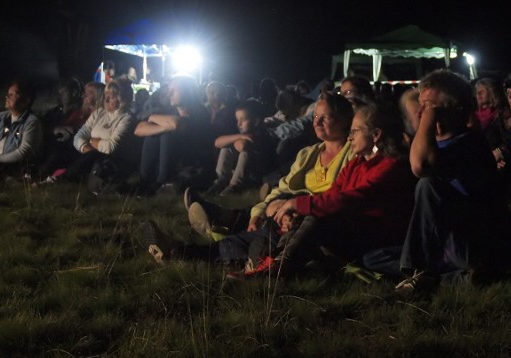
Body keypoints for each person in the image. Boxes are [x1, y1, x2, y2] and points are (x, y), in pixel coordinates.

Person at [141, 93, 356, 266]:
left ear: (345, 120)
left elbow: (339, 198)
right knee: (251, 233)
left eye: (325, 117)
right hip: (286, 209)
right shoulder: (309, 154)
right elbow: (282, 187)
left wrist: (292, 207)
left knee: (259, 237)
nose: (317, 122)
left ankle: (204, 244)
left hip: (311, 218)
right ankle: (181, 250)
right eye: (316, 116)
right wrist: (262, 210)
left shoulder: (352, 155)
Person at [227, 102, 415, 278]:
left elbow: (351, 198)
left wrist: (297, 203)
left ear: (376, 135)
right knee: (298, 219)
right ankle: (273, 262)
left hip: (374, 235)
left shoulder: (390, 165)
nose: (350, 137)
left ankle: (278, 265)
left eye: (355, 132)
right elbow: (333, 194)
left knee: (316, 215)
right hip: (351, 229)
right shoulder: (356, 164)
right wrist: (295, 210)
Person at [394, 70, 506, 292]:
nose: (421, 112)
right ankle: (454, 279)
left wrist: (428, 118)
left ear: (455, 110)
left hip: (467, 243)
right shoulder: (436, 145)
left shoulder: (469, 144)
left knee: (428, 184)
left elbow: (420, 166)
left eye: (429, 106)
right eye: (421, 105)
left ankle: (419, 271)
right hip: (442, 241)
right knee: (374, 257)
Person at [38, 78, 136, 186]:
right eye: (106, 95)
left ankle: (60, 179)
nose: (106, 100)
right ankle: (39, 173)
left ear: (122, 100)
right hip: (88, 151)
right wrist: (87, 146)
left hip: (106, 158)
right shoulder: (99, 113)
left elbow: (110, 147)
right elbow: (79, 136)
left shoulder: (126, 118)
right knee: (66, 147)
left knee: (91, 155)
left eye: (111, 97)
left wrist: (89, 140)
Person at [133, 75, 213, 195]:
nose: (169, 94)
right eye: (169, 90)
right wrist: (160, 125)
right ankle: (145, 181)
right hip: (171, 160)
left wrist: (153, 120)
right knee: (153, 134)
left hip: (190, 162)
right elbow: (138, 130)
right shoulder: (168, 112)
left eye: (174, 90)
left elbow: (177, 124)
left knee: (166, 135)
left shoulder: (200, 113)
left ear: (187, 91)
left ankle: (163, 182)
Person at [205, 99, 276, 196]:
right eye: (237, 120)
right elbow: (217, 142)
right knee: (226, 149)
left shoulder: (261, 134)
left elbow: (243, 146)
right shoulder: (243, 133)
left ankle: (234, 186)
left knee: (245, 153)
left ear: (256, 121)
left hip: (258, 174)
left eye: (243, 120)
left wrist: (234, 141)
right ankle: (222, 180)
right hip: (248, 170)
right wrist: (239, 137)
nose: (239, 124)